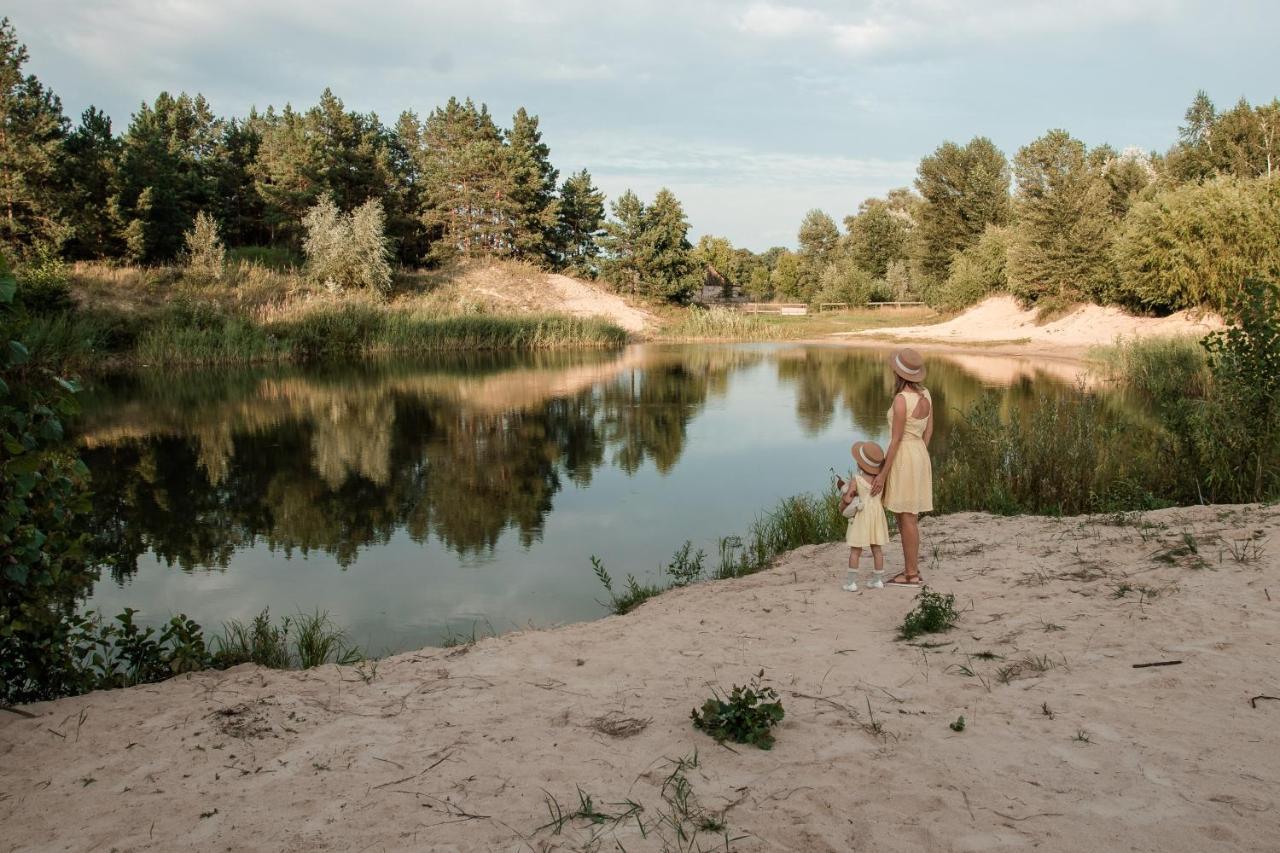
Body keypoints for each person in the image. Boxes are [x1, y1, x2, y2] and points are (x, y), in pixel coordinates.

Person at [870, 348, 933, 586]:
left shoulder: (900, 400)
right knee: (910, 517)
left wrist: (882, 475)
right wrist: (920, 455)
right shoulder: (926, 394)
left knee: (905, 518)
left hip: (904, 456)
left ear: (898, 372)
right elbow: (928, 431)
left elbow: (895, 440)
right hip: (919, 453)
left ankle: (911, 574)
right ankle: (911, 570)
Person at [838, 440, 889, 591]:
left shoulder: (857, 480)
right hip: (877, 515)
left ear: (860, 464)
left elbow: (848, 499)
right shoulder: (881, 481)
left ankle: (852, 583)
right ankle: (878, 581)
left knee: (855, 550)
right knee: (877, 549)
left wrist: (842, 489)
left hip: (862, 515)